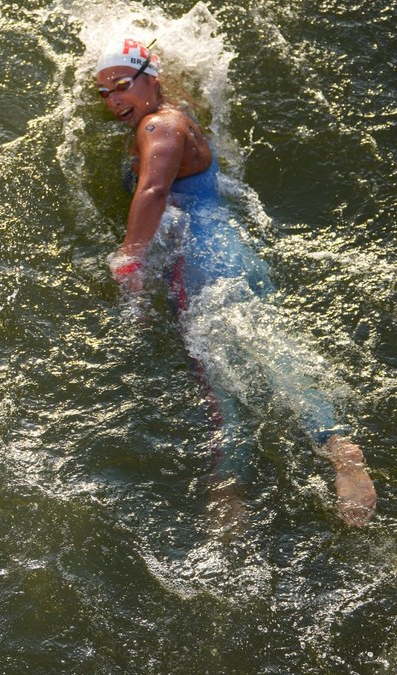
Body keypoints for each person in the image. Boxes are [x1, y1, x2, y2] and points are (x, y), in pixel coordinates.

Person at [93, 39, 376, 527]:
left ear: (150, 77)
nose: (114, 99)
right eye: (103, 91)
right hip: (228, 246)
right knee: (269, 349)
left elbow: (155, 189)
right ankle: (322, 447)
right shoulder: (179, 112)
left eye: (122, 85)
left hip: (202, 259)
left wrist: (129, 261)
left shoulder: (158, 124)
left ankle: (244, 482)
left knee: (221, 379)